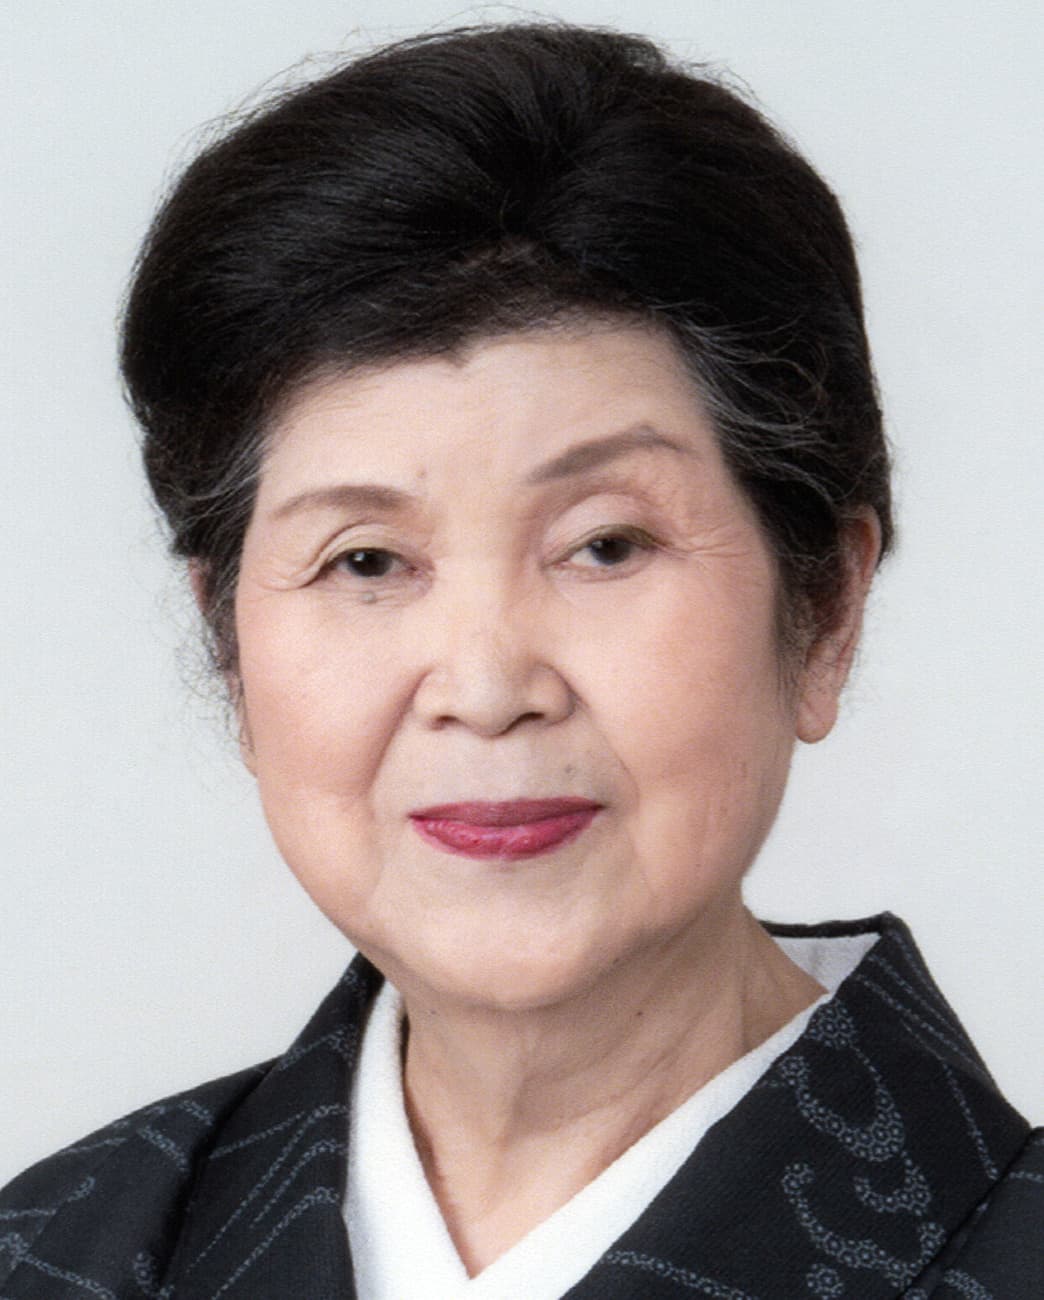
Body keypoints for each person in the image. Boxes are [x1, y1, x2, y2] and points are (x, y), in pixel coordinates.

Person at [1, 22, 1039, 1300]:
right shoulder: (49, 1254)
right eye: (366, 560)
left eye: (606, 545)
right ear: (231, 649)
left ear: (825, 606)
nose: (488, 688)